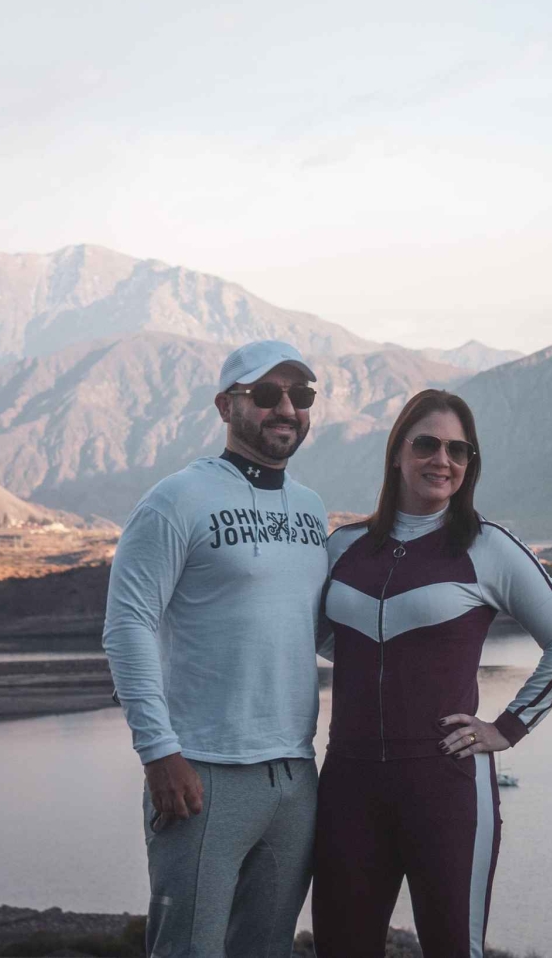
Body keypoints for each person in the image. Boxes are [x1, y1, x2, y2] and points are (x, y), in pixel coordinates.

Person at [312, 388, 552, 958]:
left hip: (446, 785)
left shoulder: (488, 547)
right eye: (427, 444)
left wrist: (507, 728)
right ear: (397, 453)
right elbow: (319, 634)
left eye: (459, 450)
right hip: (348, 784)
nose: (443, 460)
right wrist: (384, 666)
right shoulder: (343, 547)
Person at [103, 340, 331, 958]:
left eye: (300, 395)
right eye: (267, 394)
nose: (287, 408)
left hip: (295, 776)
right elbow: (127, 624)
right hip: (201, 773)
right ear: (226, 406)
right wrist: (158, 752)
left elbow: (318, 631)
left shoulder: (311, 509)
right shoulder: (177, 500)